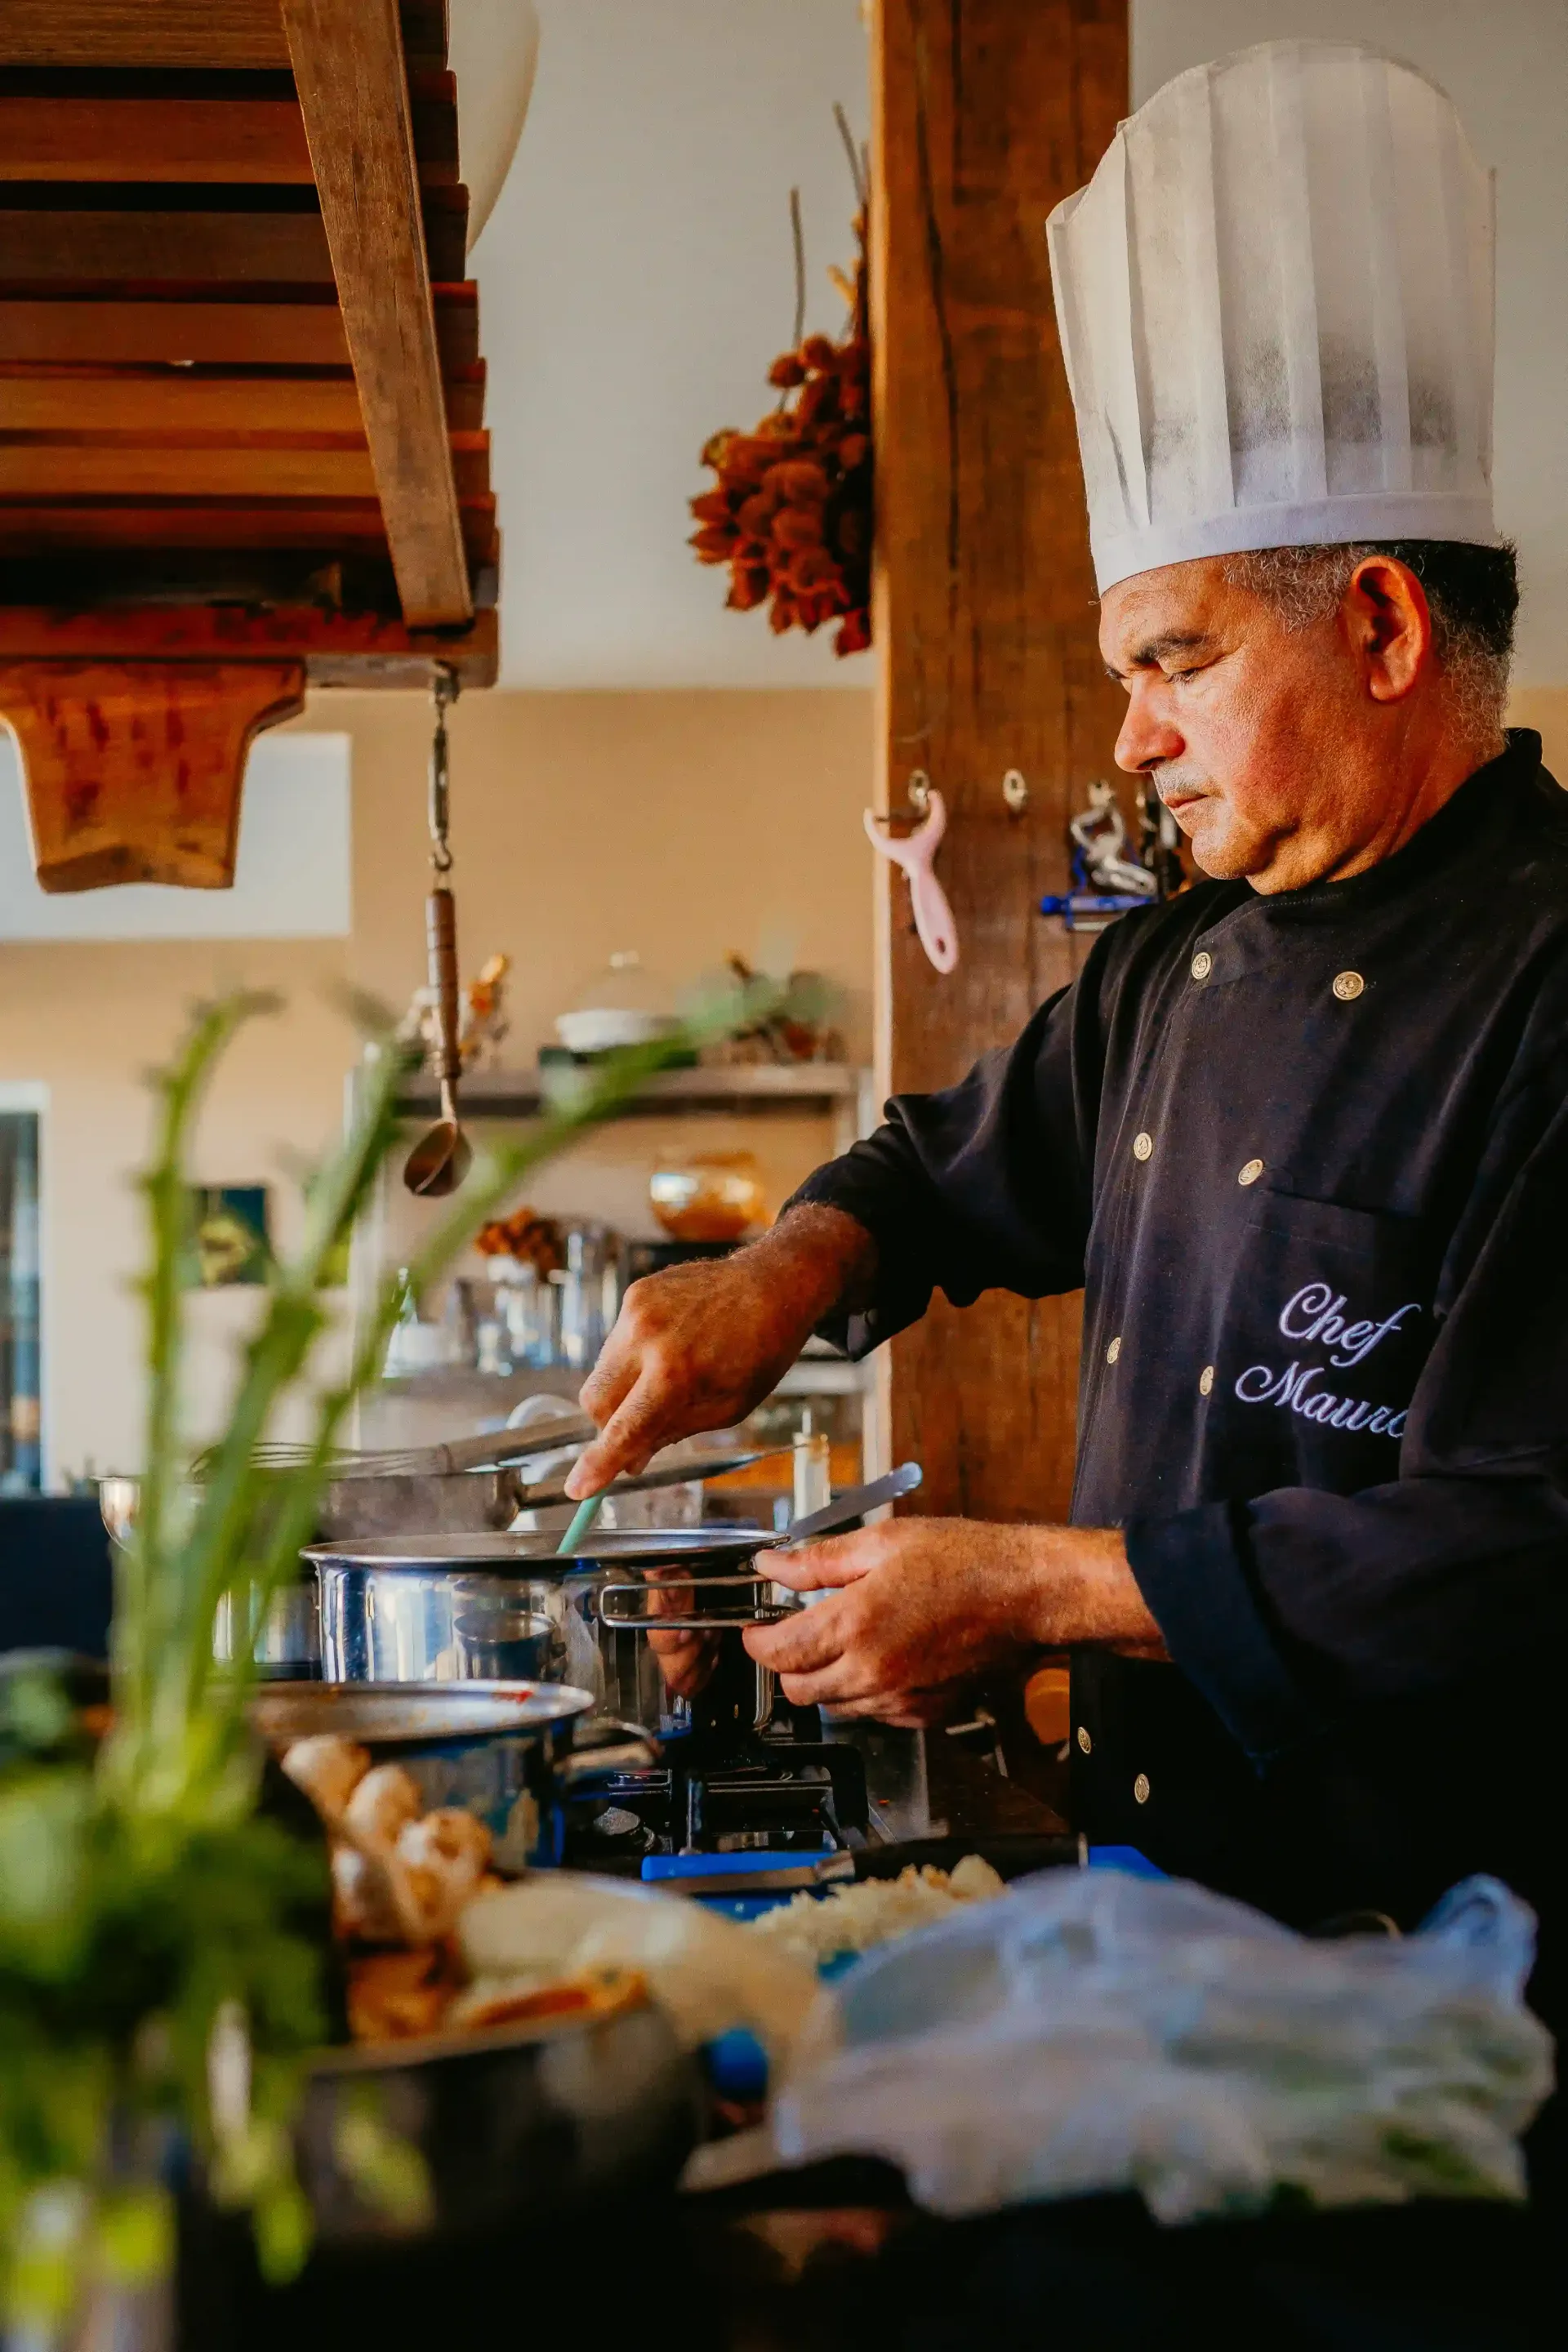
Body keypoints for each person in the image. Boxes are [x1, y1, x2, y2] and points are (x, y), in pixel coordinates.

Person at [567, 43, 1568, 1979]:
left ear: (1379, 624)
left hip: (1445, 1974)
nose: (1132, 733)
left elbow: (1519, 1544)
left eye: (1175, 659)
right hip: (1157, 1906)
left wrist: (1028, 1589)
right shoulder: (1176, 959)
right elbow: (944, 1173)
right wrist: (777, 1271)